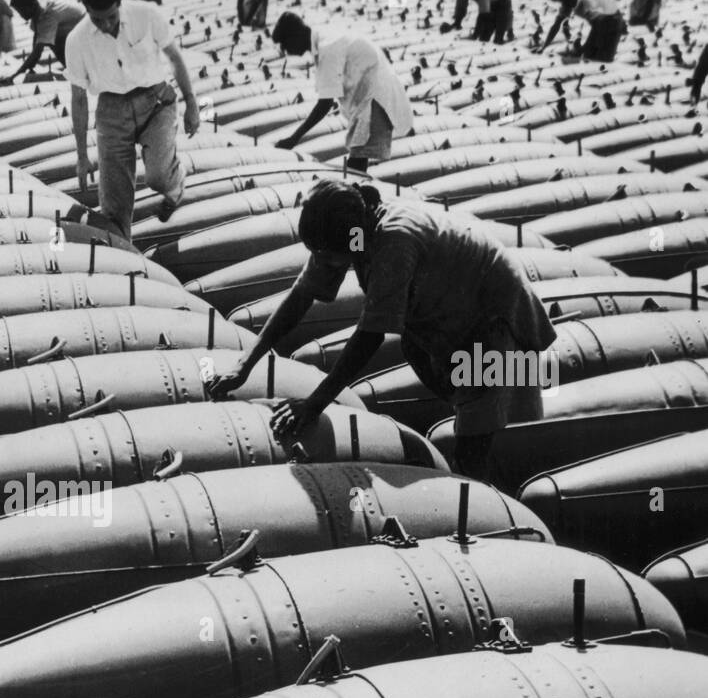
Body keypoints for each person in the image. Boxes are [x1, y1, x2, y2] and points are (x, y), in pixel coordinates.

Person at [205, 181, 555, 482]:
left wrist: (313, 404)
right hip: (446, 314)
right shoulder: (353, 233)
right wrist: (245, 364)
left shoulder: (393, 242)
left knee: (478, 423)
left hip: (493, 316)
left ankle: (485, 497)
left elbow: (370, 336)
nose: (323, 264)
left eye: (327, 257)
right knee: (435, 368)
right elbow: (301, 297)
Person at [64, 0, 201, 240]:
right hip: (111, 112)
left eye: (111, 17)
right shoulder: (77, 40)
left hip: (156, 103)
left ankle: (176, 182)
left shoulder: (146, 15)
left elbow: (174, 57)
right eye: (97, 19)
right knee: (114, 206)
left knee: (158, 177)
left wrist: (191, 102)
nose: (105, 25)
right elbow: (78, 99)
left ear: (119, 2)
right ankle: (125, 257)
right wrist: (82, 156)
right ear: (85, 9)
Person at [270, 13, 413, 174]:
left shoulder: (327, 47)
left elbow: (325, 103)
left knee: (357, 161)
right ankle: (357, 189)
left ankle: (357, 193)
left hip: (375, 98)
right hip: (368, 97)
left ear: (295, 36)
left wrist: (294, 138)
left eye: (285, 44)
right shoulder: (323, 40)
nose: (286, 51)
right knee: (357, 159)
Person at [0, 0, 83, 81]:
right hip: (72, 28)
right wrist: (30, 65)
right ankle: (72, 72)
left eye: (21, 11)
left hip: (84, 27)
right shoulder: (37, 10)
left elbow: (37, 51)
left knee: (54, 42)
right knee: (51, 41)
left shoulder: (46, 16)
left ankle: (76, 75)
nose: (20, 15)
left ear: (29, 7)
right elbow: (37, 42)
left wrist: (14, 76)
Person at [536, 0, 626, 62]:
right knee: (592, 57)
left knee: (598, 59)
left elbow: (600, 22)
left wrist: (583, 49)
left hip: (610, 23)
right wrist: (544, 46)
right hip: (605, 24)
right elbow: (555, 26)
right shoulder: (568, 3)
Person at [440, 0, 514, 42]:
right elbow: (461, 4)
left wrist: (509, 29)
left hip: (501, 5)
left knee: (497, 40)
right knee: (484, 39)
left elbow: (483, 14)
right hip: (488, 7)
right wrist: (457, 21)